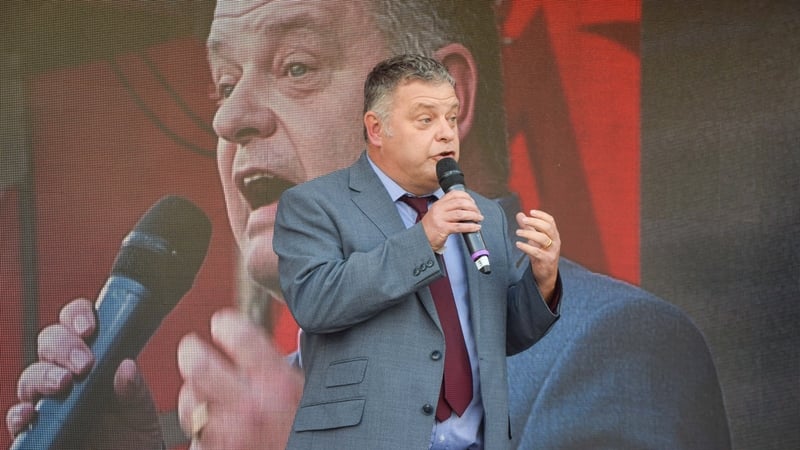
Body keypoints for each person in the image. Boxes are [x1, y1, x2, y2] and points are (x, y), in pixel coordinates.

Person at [7, 0, 731, 449]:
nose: (229, 118)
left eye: (295, 66)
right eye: (224, 85)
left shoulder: (611, 350)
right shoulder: (266, 412)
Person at [273, 54, 559, 449]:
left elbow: (499, 337)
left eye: (452, 118)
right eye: (426, 120)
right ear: (377, 129)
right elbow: (315, 301)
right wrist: (423, 240)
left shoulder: (483, 214)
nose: (446, 134)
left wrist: (542, 282)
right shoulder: (315, 204)